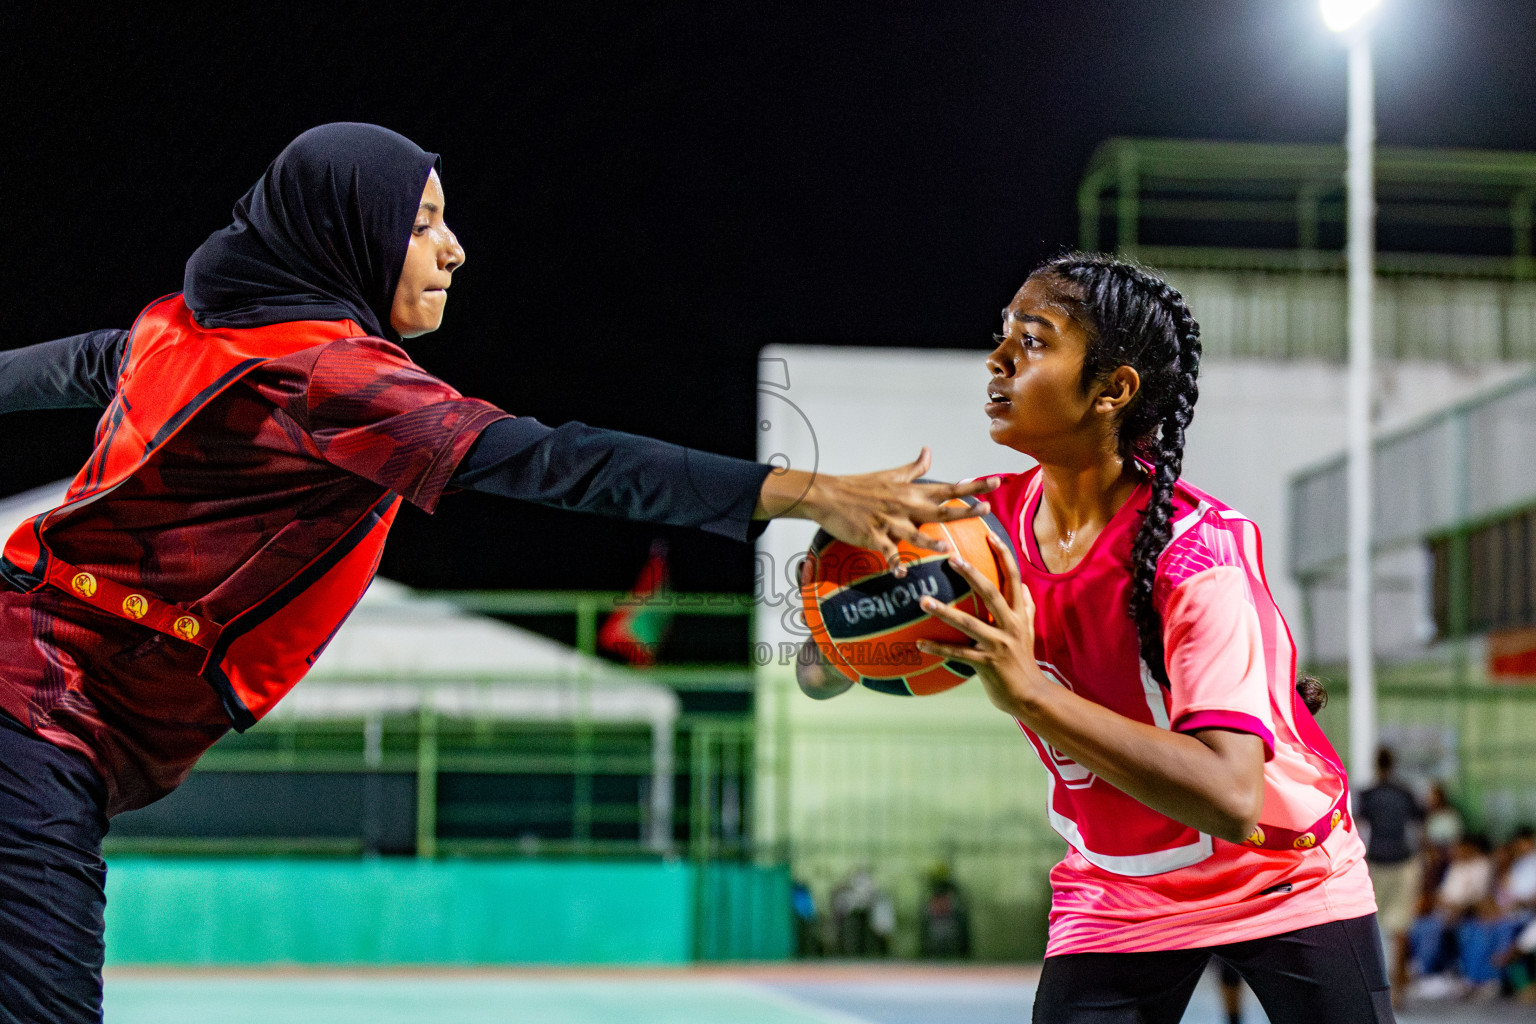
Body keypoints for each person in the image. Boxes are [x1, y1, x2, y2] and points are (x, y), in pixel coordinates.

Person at [0, 123, 997, 1024]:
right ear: (351, 233)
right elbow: (557, 460)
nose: (455, 247)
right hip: (41, 712)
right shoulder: (331, 377)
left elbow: (80, 362)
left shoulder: (189, 330)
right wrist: (805, 491)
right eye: (423, 222)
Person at [800, 253, 1391, 1022]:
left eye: (1034, 341)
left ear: (1113, 390)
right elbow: (821, 670)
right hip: (1118, 886)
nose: (998, 358)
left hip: (1282, 872)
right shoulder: (977, 531)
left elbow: (1231, 795)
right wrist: (849, 596)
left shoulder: (1198, 555)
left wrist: (1034, 696)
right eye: (1001, 335)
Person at [1355, 746, 1425, 1002]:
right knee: (1400, 927)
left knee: (1372, 924)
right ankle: (1399, 988)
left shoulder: (1368, 794)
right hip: (1404, 860)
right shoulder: (1406, 793)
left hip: (1376, 861)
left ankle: (1376, 987)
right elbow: (1418, 828)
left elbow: (1359, 829)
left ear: (1376, 764)